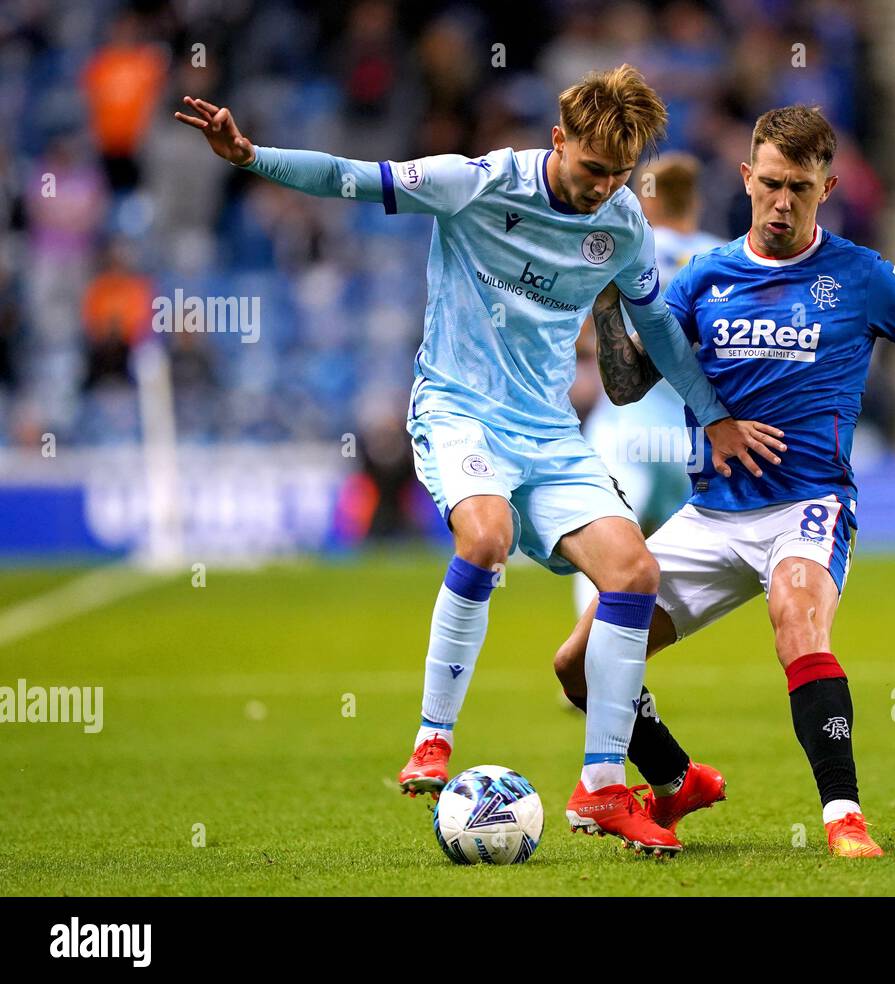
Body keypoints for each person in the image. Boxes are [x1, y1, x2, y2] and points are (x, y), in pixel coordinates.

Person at [175, 65, 785, 856]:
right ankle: (434, 736)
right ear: (558, 139)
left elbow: (658, 330)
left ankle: (603, 786)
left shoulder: (625, 225)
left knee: (633, 571)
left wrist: (716, 416)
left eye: (619, 175)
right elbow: (352, 178)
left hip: (551, 431)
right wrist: (250, 155)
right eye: (592, 168)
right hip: (459, 410)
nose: (603, 188)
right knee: (486, 535)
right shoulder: (478, 182)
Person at [554, 105, 895, 857]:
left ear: (828, 187)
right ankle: (676, 778)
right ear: (746, 178)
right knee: (577, 665)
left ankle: (844, 814)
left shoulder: (864, 276)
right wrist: (613, 296)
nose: (783, 203)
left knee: (798, 620)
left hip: (807, 505)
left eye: (801, 189)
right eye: (771, 184)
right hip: (711, 511)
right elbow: (624, 382)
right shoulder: (702, 278)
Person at [572, 152, 726, 617]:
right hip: (693, 442)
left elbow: (583, 336)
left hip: (626, 429)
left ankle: (591, 661)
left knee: (605, 543)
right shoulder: (721, 258)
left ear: (646, 200)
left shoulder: (623, 250)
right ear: (694, 201)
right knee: (670, 563)